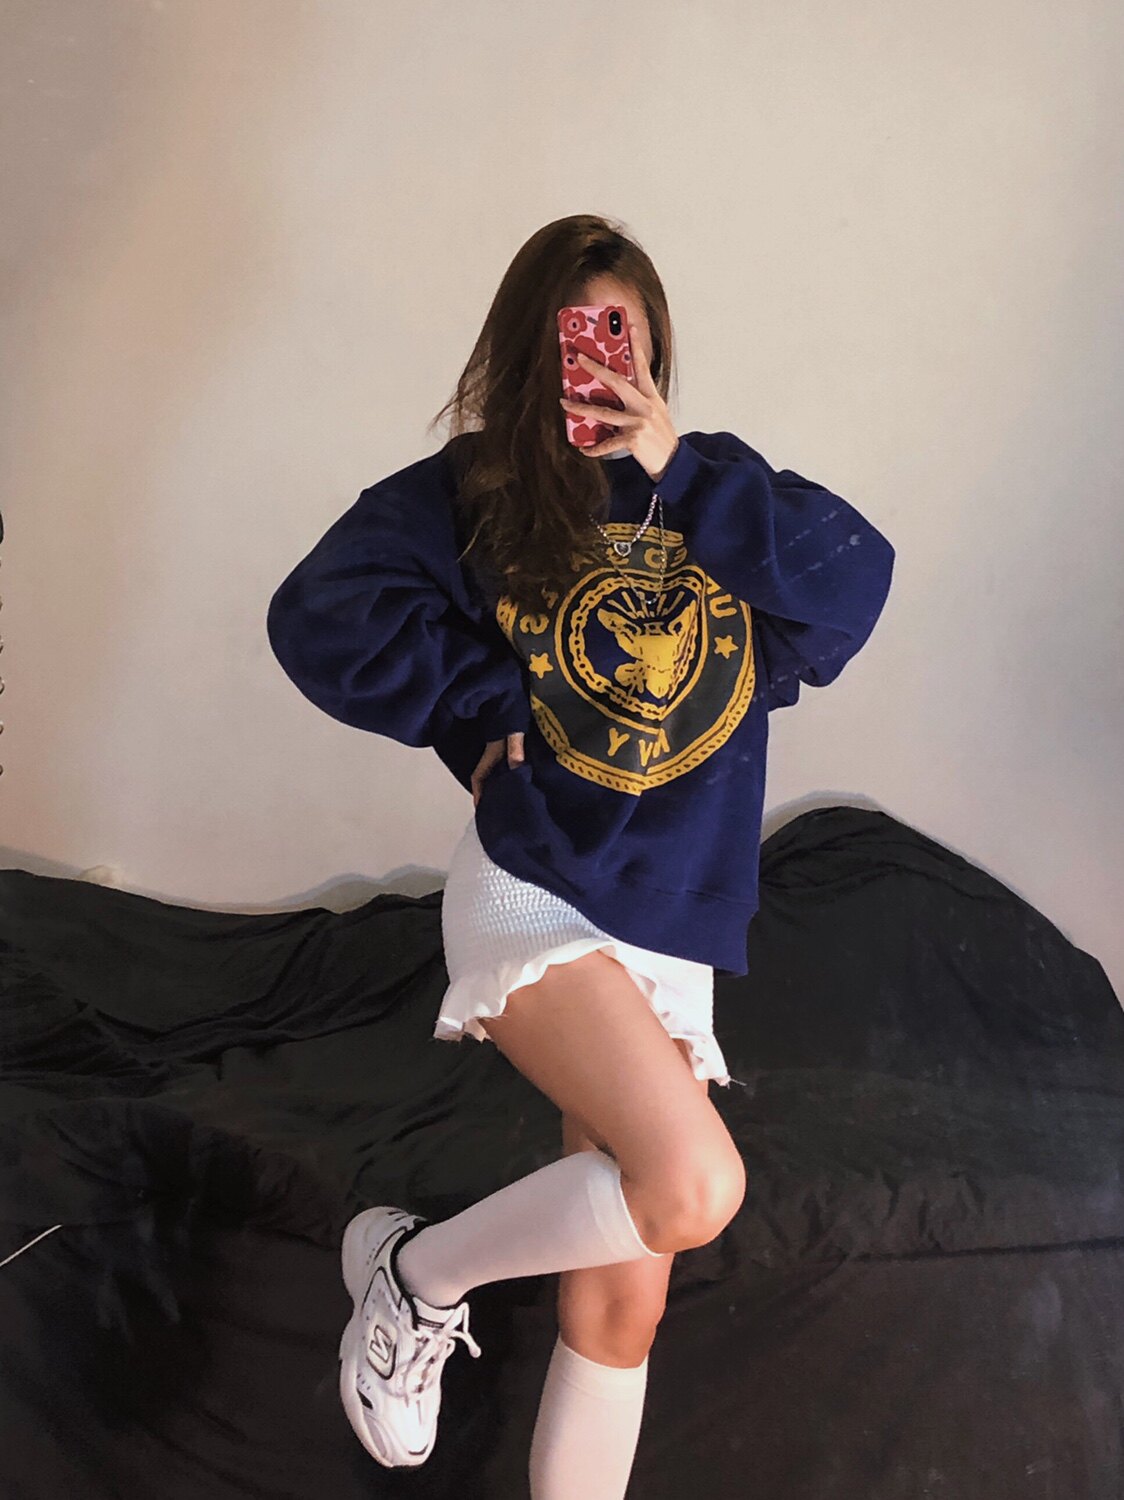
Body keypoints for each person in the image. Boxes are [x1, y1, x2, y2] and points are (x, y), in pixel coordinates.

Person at [266, 213, 895, 1495]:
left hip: (670, 923)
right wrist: (481, 707)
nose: (602, 363)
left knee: (620, 1311)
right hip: (538, 884)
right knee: (692, 1183)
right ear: (528, 348)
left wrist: (675, 463)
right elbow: (317, 615)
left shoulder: (718, 490)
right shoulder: (475, 492)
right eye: (579, 337)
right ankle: (415, 1273)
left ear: (654, 351)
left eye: (627, 338)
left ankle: (413, 1277)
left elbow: (852, 586)